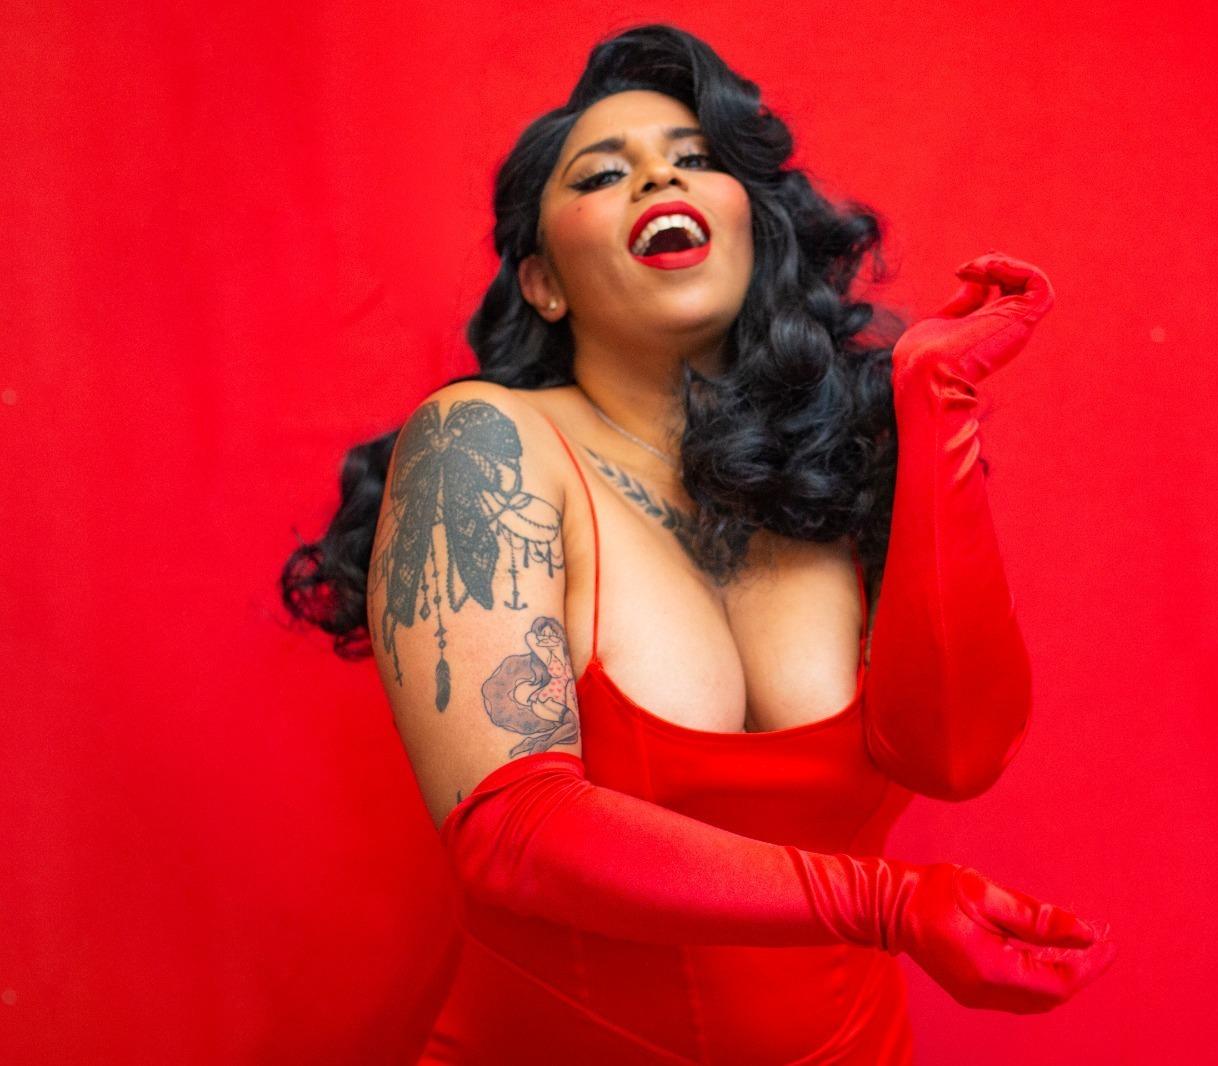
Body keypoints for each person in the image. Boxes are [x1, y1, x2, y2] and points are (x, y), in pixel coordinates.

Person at [281, 23, 1116, 1065]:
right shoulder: (484, 444)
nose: (657, 178)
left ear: (748, 227)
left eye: (695, 158)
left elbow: (955, 756)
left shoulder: (834, 464)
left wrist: (933, 401)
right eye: (602, 173)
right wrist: (887, 904)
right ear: (542, 282)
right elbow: (511, 833)